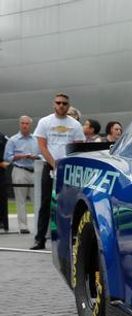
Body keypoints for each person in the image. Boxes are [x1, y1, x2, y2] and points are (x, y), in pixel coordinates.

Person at [32, 93, 84, 250]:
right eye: (58, 103)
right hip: (50, 166)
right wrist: (54, 164)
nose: (61, 105)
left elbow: (78, 147)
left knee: (67, 203)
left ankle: (67, 239)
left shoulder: (75, 125)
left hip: (68, 168)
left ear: (68, 106)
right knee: (46, 203)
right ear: (54, 104)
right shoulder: (45, 122)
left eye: (64, 103)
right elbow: (42, 145)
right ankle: (39, 239)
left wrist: (65, 165)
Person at [2, 116, 41, 234]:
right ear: (20, 124)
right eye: (23, 123)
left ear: (30, 125)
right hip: (20, 169)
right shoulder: (13, 140)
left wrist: (36, 156)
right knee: (20, 199)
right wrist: (19, 156)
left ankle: (39, 225)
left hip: (35, 170)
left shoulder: (36, 139)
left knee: (37, 199)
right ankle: (23, 226)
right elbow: (6, 157)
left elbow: (42, 154)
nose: (25, 126)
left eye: (27, 124)